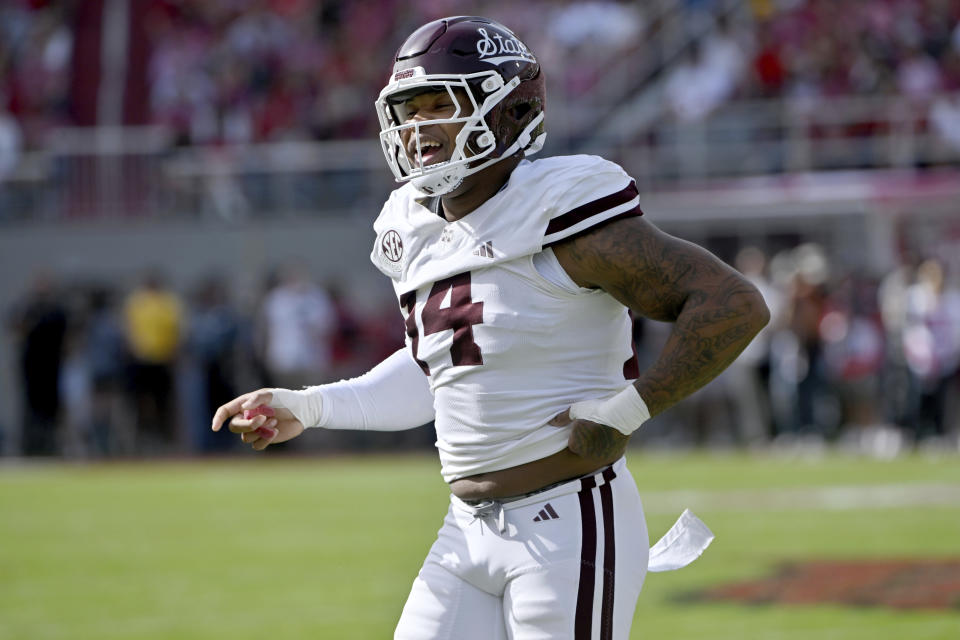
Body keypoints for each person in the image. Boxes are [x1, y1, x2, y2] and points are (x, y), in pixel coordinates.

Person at [213, 16, 769, 639]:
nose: (418, 129)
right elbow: (442, 371)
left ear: (508, 111)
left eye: (438, 106)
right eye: (407, 110)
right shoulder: (414, 226)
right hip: (465, 528)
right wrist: (308, 406)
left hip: (569, 521)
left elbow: (732, 303)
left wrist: (631, 408)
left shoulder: (559, 206)